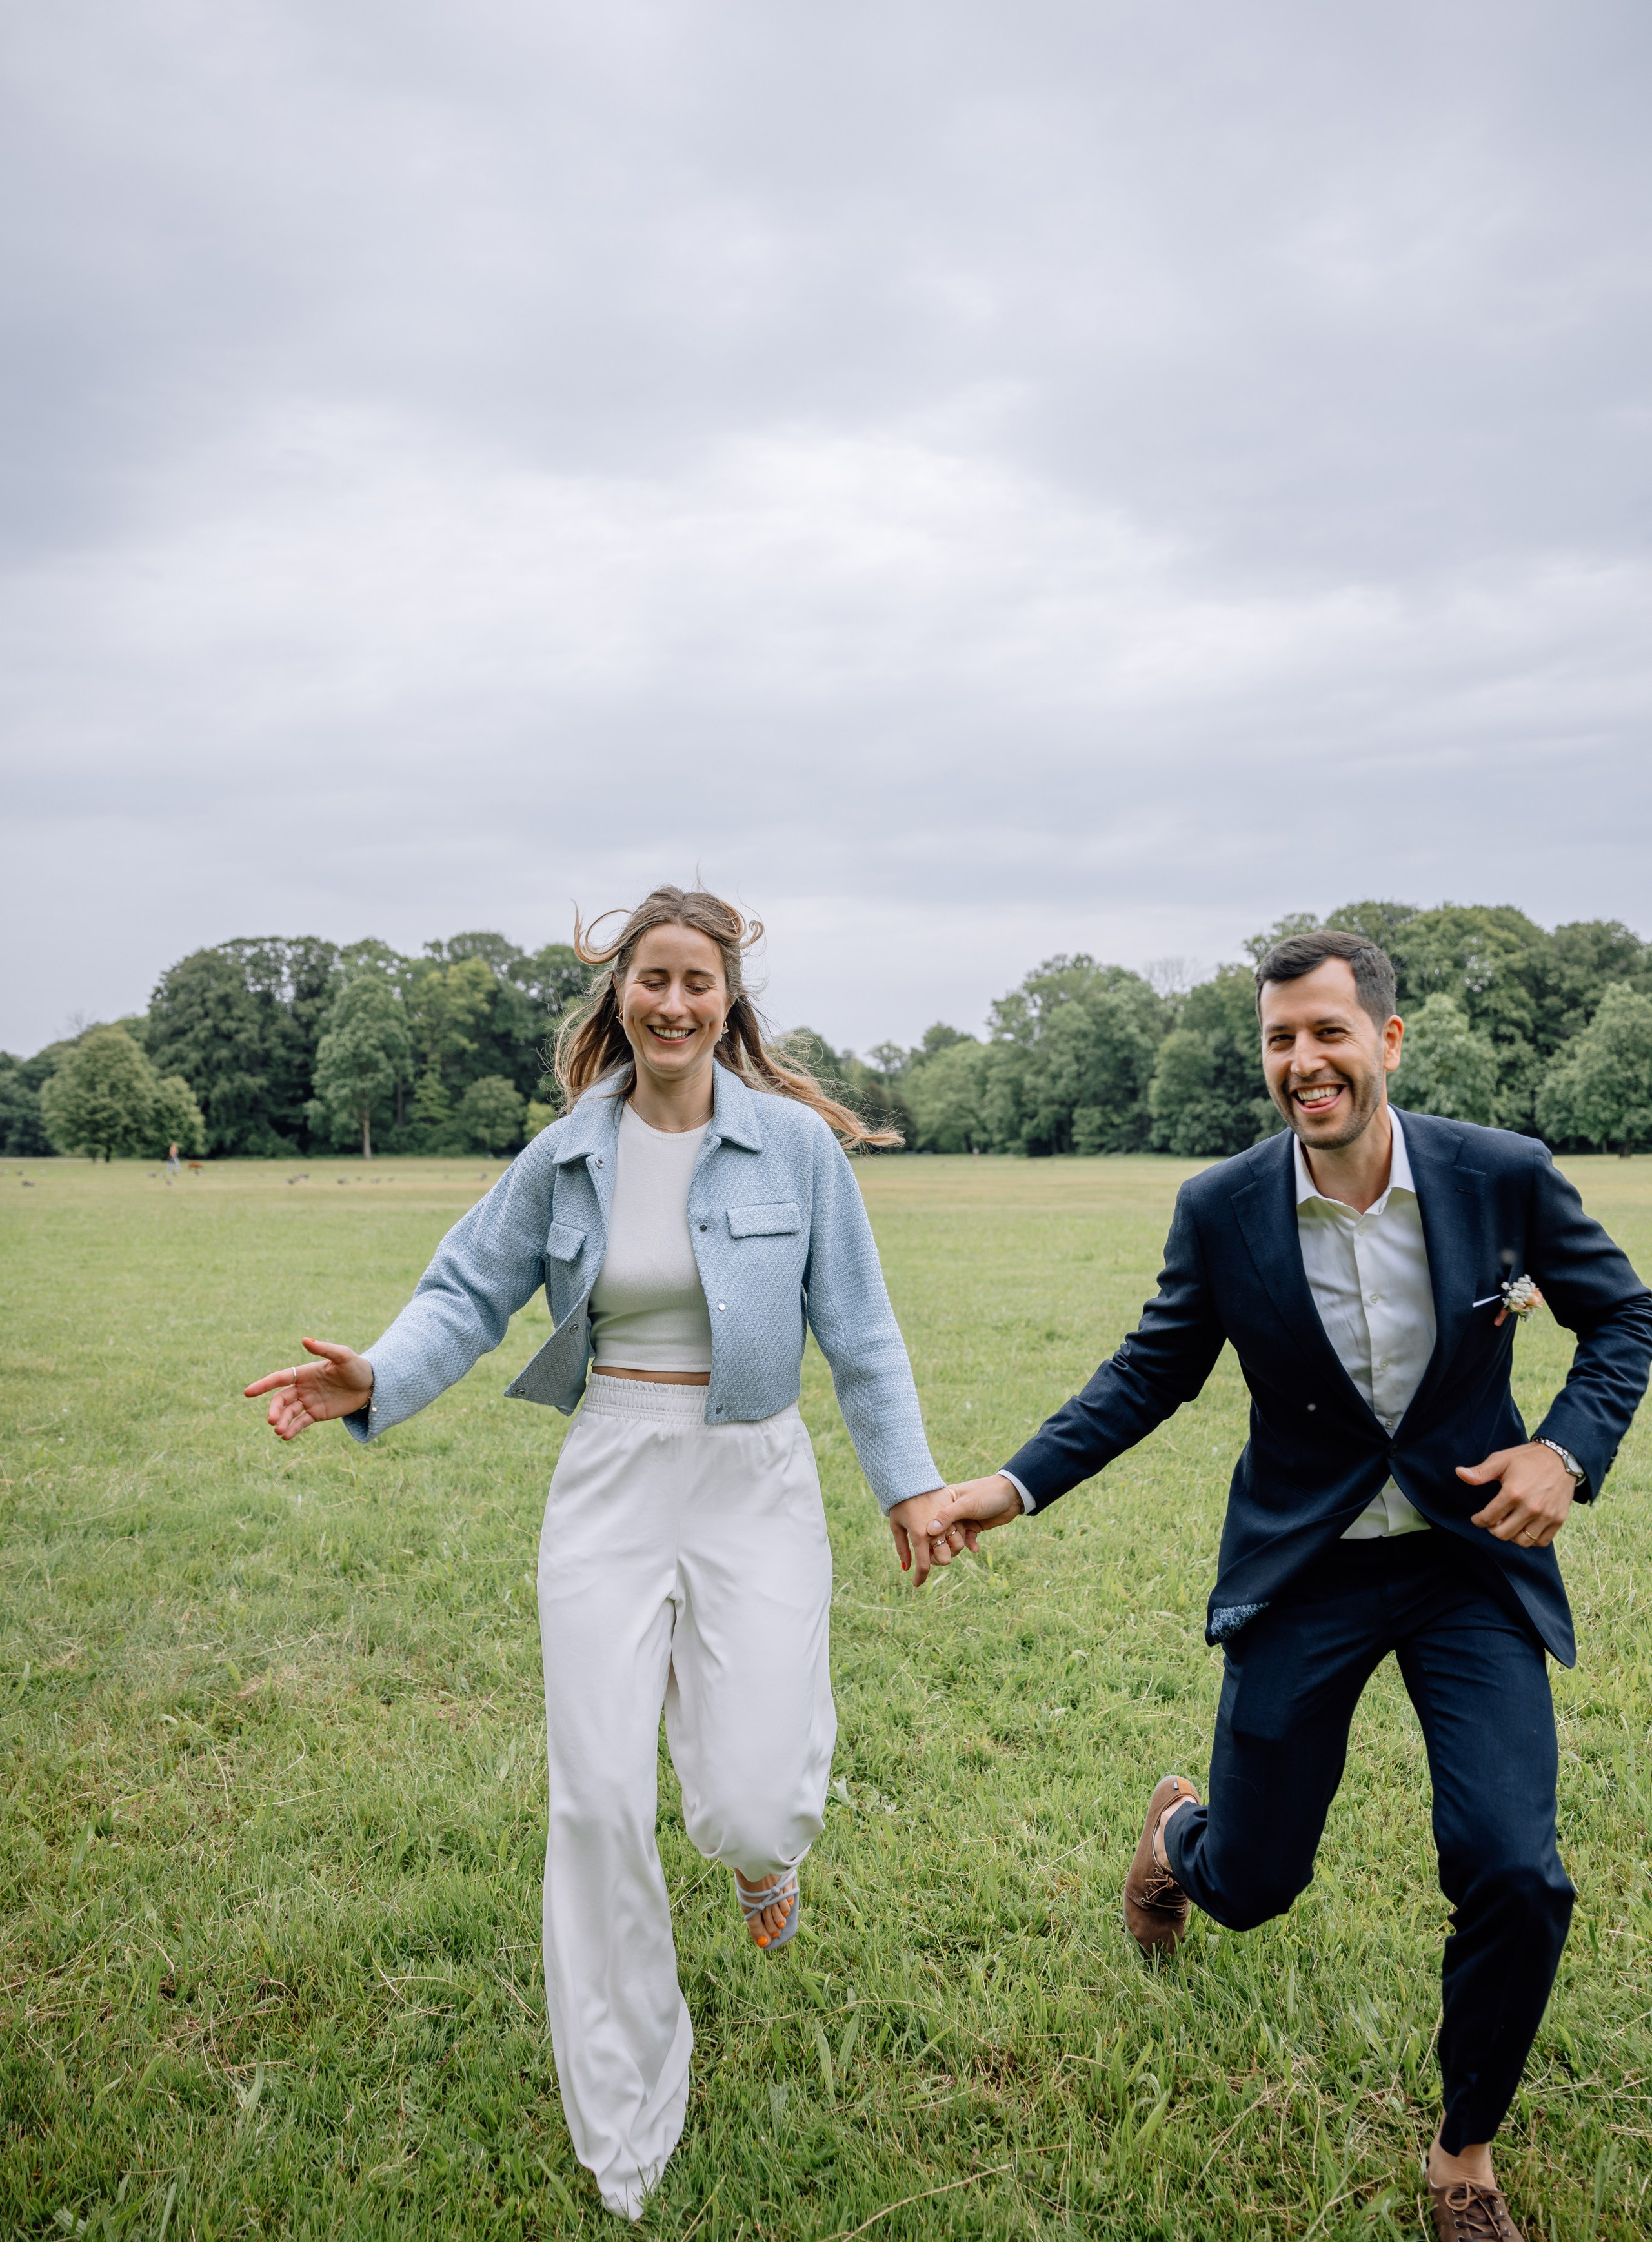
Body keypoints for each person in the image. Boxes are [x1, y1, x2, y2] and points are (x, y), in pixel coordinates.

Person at [927, 928, 1652, 2242]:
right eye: (1277, 1039)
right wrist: (1008, 1483)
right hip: (1303, 1565)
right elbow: (1151, 1370)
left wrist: (1561, 1448)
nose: (1300, 1061)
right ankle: (1173, 1840)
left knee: (1513, 1867)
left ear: (1384, 1039)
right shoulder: (1221, 1207)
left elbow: (1625, 1316)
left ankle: (1461, 2152)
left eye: (1325, 1032)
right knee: (1252, 1882)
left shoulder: (1499, 1177)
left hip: (1461, 1562)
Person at [243, 886, 953, 2221]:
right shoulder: (570, 1150)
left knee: (752, 1797)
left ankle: (761, 1859)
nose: (673, 1002)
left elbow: (859, 1332)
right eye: (651, 978)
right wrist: (378, 1374)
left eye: (698, 980)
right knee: (592, 1798)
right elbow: (466, 1288)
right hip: (613, 1465)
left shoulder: (796, 1150)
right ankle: (625, 2100)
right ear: (616, 992)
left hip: (751, 1468)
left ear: (728, 998)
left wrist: (906, 1484)